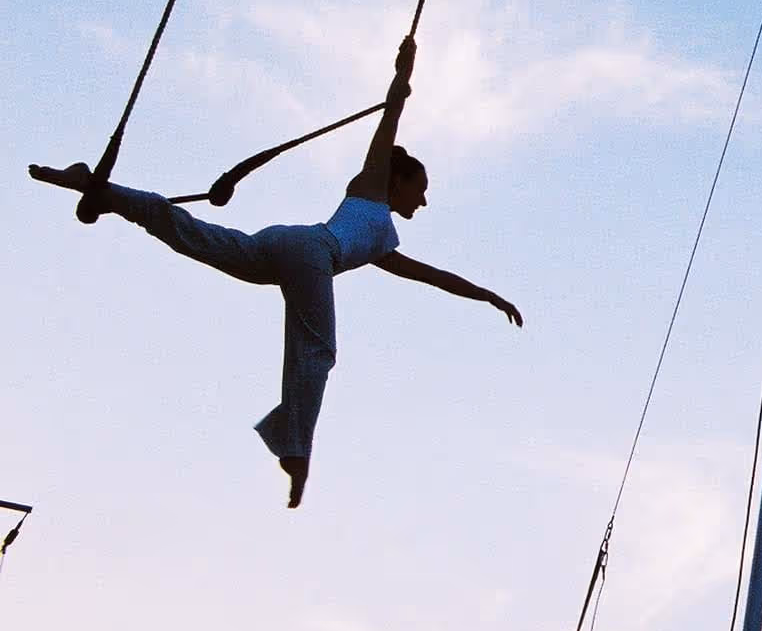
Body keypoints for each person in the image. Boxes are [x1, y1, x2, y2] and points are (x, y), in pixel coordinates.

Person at [30, 37, 520, 508]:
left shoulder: (380, 240)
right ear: (398, 180)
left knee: (191, 234)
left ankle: (99, 190)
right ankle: (295, 450)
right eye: (421, 188)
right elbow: (391, 116)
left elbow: (432, 275)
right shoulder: (371, 187)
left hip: (283, 247)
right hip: (311, 254)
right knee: (317, 350)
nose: (424, 199)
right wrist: (404, 73)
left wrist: (486, 295)